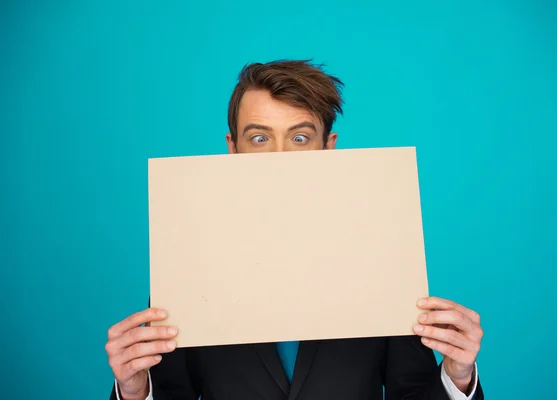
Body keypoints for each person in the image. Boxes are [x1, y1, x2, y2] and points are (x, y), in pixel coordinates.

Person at [106, 60, 485, 400]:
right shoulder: (188, 264)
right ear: (232, 149)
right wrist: (136, 392)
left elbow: (412, 393)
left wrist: (457, 378)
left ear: (328, 148)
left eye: (300, 138)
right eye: (259, 138)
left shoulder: (382, 257)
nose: (279, 158)